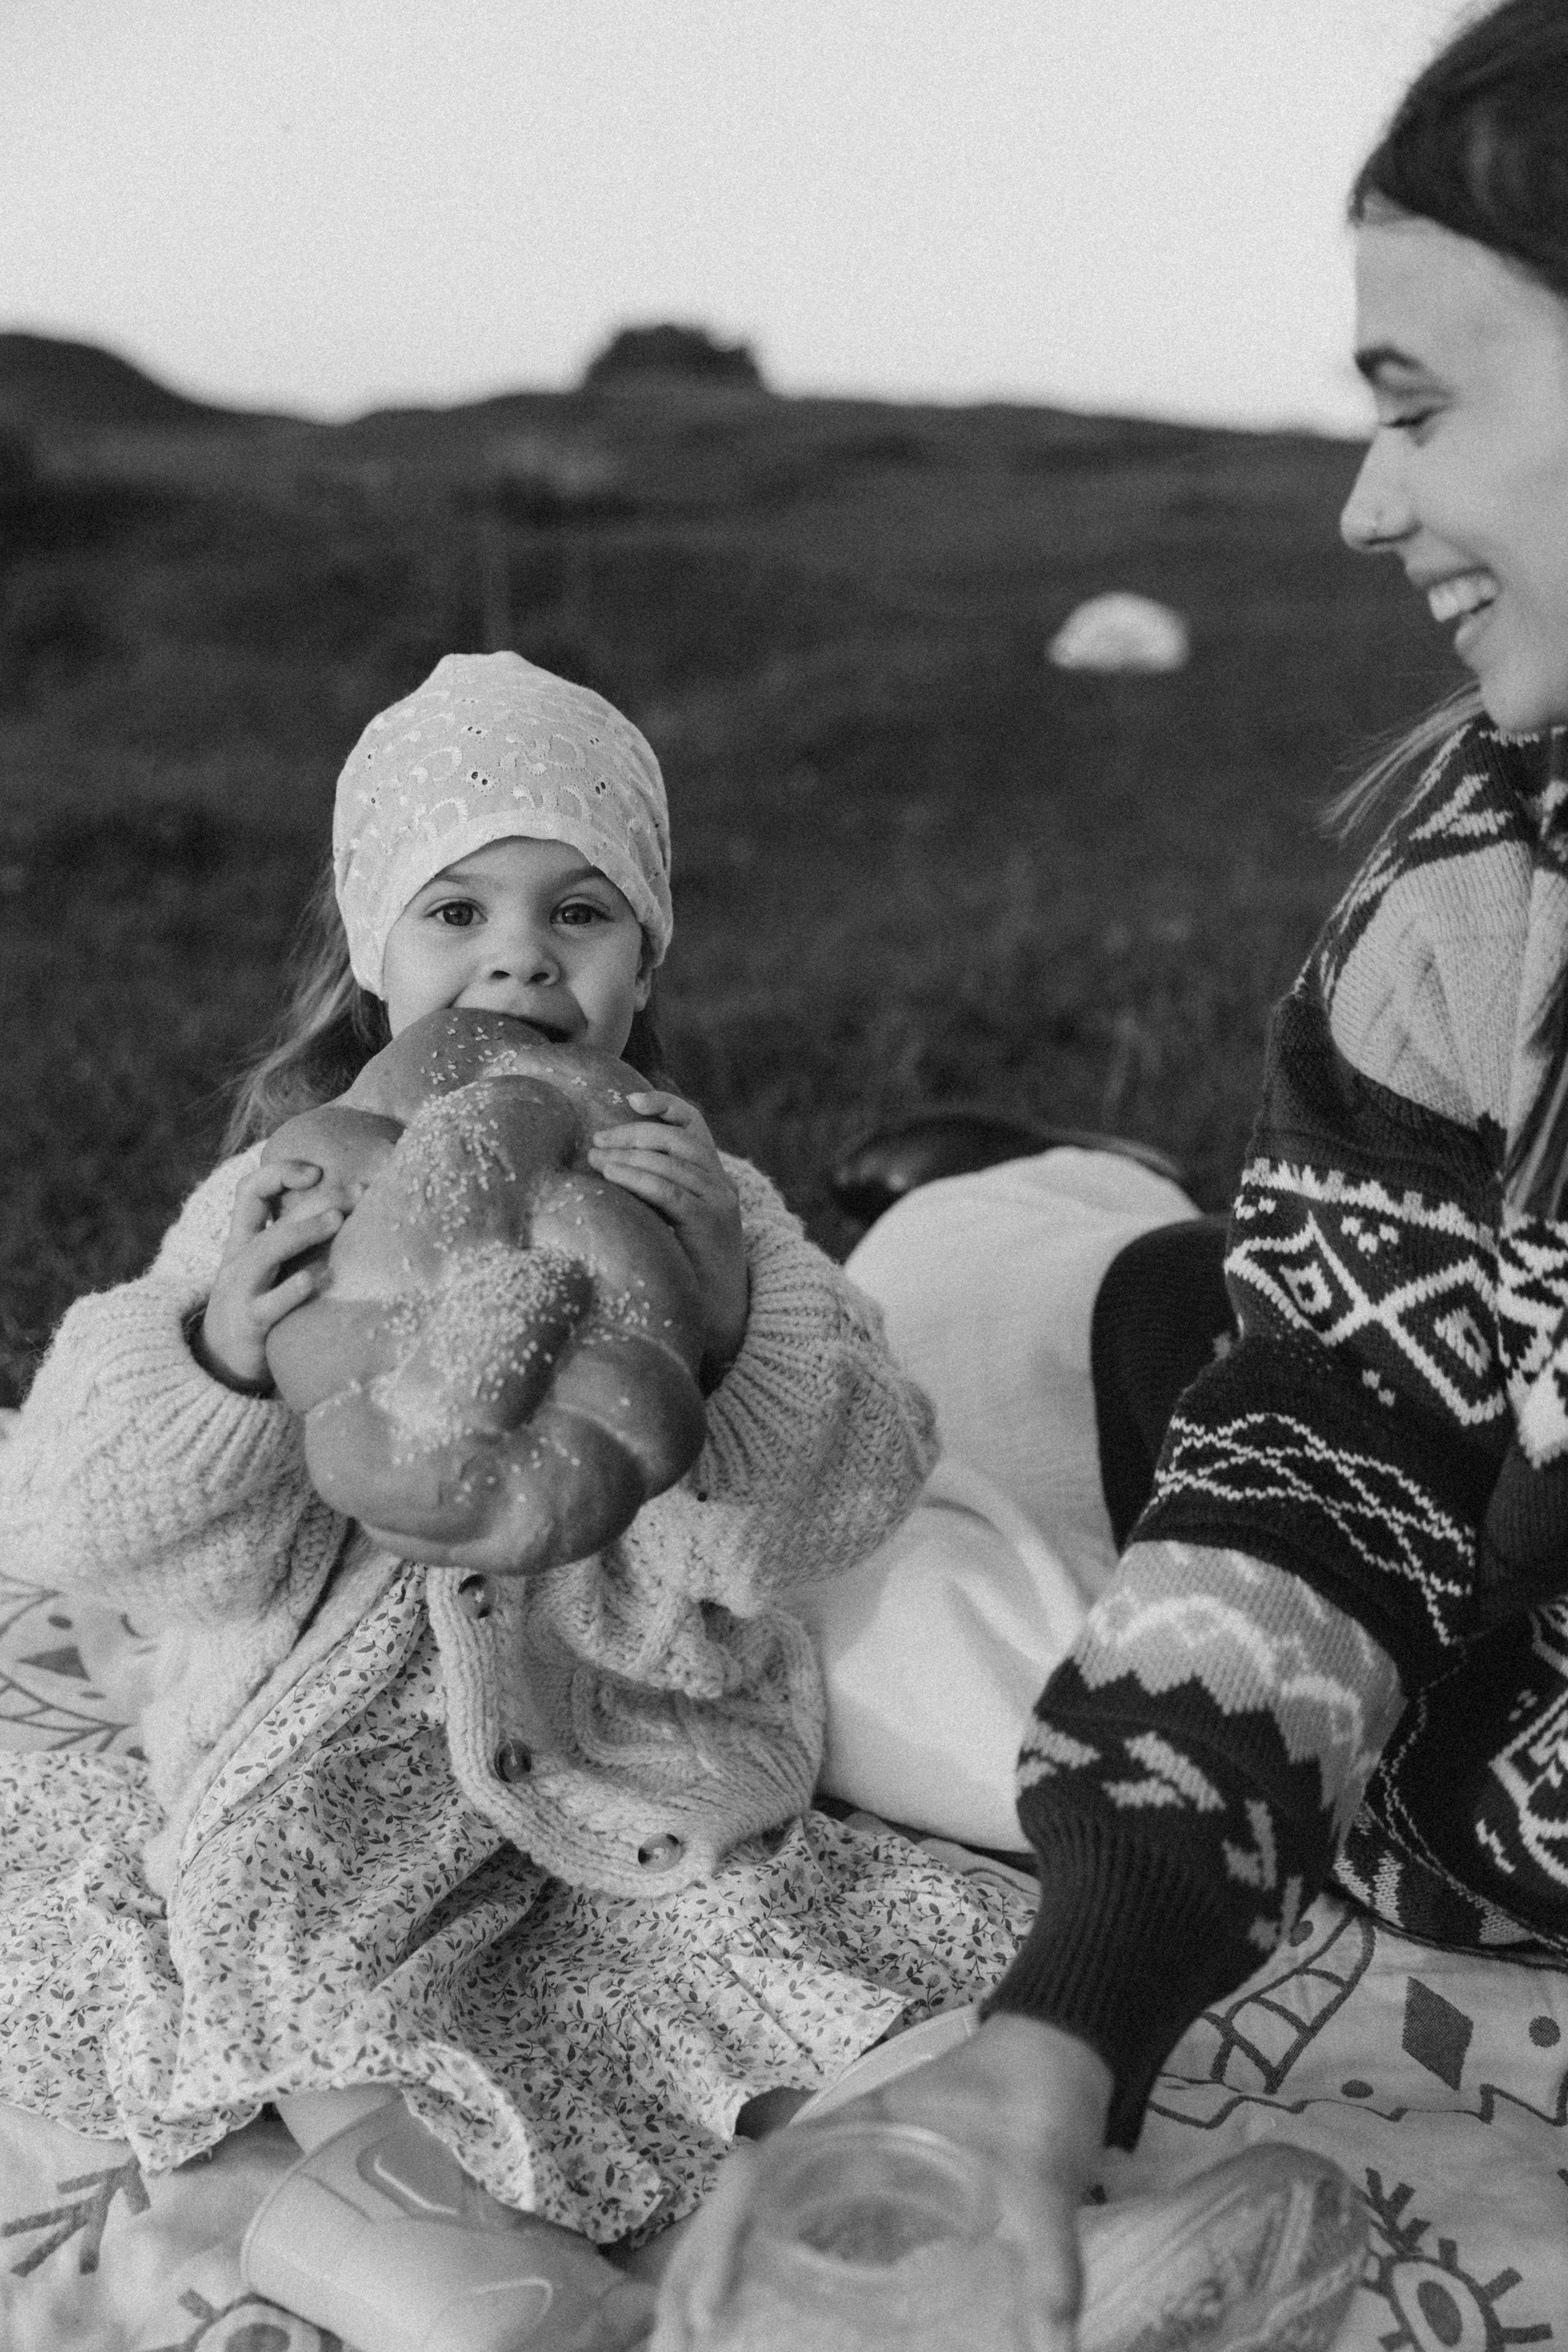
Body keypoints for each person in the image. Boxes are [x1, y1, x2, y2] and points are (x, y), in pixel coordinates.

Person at [668, 3, 1568, 2343]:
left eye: (1416, 403)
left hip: (1480, 1649)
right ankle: (1006, 1194)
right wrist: (1064, 2035)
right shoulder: (1477, 896)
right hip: (1419, 1574)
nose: (1366, 510)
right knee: (1015, 1351)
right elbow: (1323, 1450)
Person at [0, 651, 1033, 2350]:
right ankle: (371, 2216)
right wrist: (218, 1368)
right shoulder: (288, 1202)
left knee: (785, 1953)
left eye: (582, 913)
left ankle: (859, 2226)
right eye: (457, 909)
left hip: (617, 1750)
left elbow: (830, 1510)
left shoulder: (711, 1207)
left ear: (649, 959)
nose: (517, 958)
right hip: (321, 1761)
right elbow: (70, 1511)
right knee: (301, 1958)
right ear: (366, 954)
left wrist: (731, 1318)